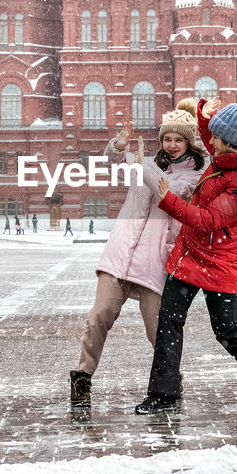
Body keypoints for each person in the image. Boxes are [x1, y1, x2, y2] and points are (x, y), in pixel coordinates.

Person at [136, 97, 237, 415]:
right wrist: (206, 117)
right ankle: (164, 394)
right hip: (190, 253)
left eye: (217, 137)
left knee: (226, 330)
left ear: (230, 142)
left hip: (219, 261)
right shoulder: (226, 157)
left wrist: (165, 198)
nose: (211, 142)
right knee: (169, 320)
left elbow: (209, 220)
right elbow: (210, 137)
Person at [71, 101, 206, 407]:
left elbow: (165, 188)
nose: (171, 145)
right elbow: (115, 162)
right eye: (166, 139)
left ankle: (171, 379)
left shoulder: (194, 176)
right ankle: (82, 378)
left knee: (156, 330)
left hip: (154, 261)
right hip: (120, 253)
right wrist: (119, 145)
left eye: (178, 139)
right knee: (98, 317)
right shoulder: (148, 161)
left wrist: (142, 164)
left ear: (189, 143)